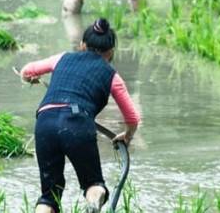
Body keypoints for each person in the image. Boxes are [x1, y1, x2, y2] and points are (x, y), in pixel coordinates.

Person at [20, 18, 140, 213]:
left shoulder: (62, 58)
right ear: (111, 52)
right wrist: (127, 135)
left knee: (49, 196)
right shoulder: (112, 76)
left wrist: (29, 78)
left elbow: (26, 71)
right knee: (93, 185)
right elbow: (132, 118)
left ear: (82, 45)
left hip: (45, 121)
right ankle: (92, 206)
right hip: (76, 122)